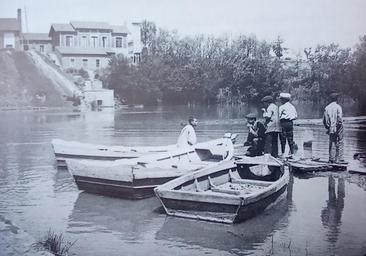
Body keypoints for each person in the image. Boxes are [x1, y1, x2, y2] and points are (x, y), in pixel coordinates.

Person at [323, 93, 344, 163]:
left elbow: (324, 120)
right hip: (338, 127)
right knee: (340, 142)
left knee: (332, 142)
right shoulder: (338, 107)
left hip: (331, 127)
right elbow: (340, 119)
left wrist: (328, 127)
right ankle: (339, 159)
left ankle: (331, 159)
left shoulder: (327, 107)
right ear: (336, 99)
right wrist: (337, 126)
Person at [278, 93, 298, 158]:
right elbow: (295, 116)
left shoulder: (281, 107)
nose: (280, 101)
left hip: (283, 123)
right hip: (290, 123)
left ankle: (283, 153)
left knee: (282, 139)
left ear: (284, 100)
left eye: (281, 99)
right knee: (290, 139)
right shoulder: (292, 107)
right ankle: (292, 154)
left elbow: (278, 116)